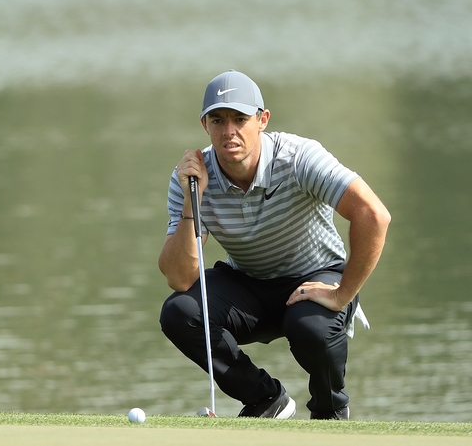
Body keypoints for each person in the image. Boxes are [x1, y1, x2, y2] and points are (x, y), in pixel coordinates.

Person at [158, 70, 390, 420]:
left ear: (262, 120)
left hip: (316, 277)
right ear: (204, 124)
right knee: (180, 312)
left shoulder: (299, 157)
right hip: (249, 283)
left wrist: (343, 292)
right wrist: (194, 200)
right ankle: (264, 399)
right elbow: (180, 277)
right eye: (218, 120)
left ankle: (330, 413)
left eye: (240, 119)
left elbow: (373, 215)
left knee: (310, 327)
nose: (228, 131)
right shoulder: (192, 177)